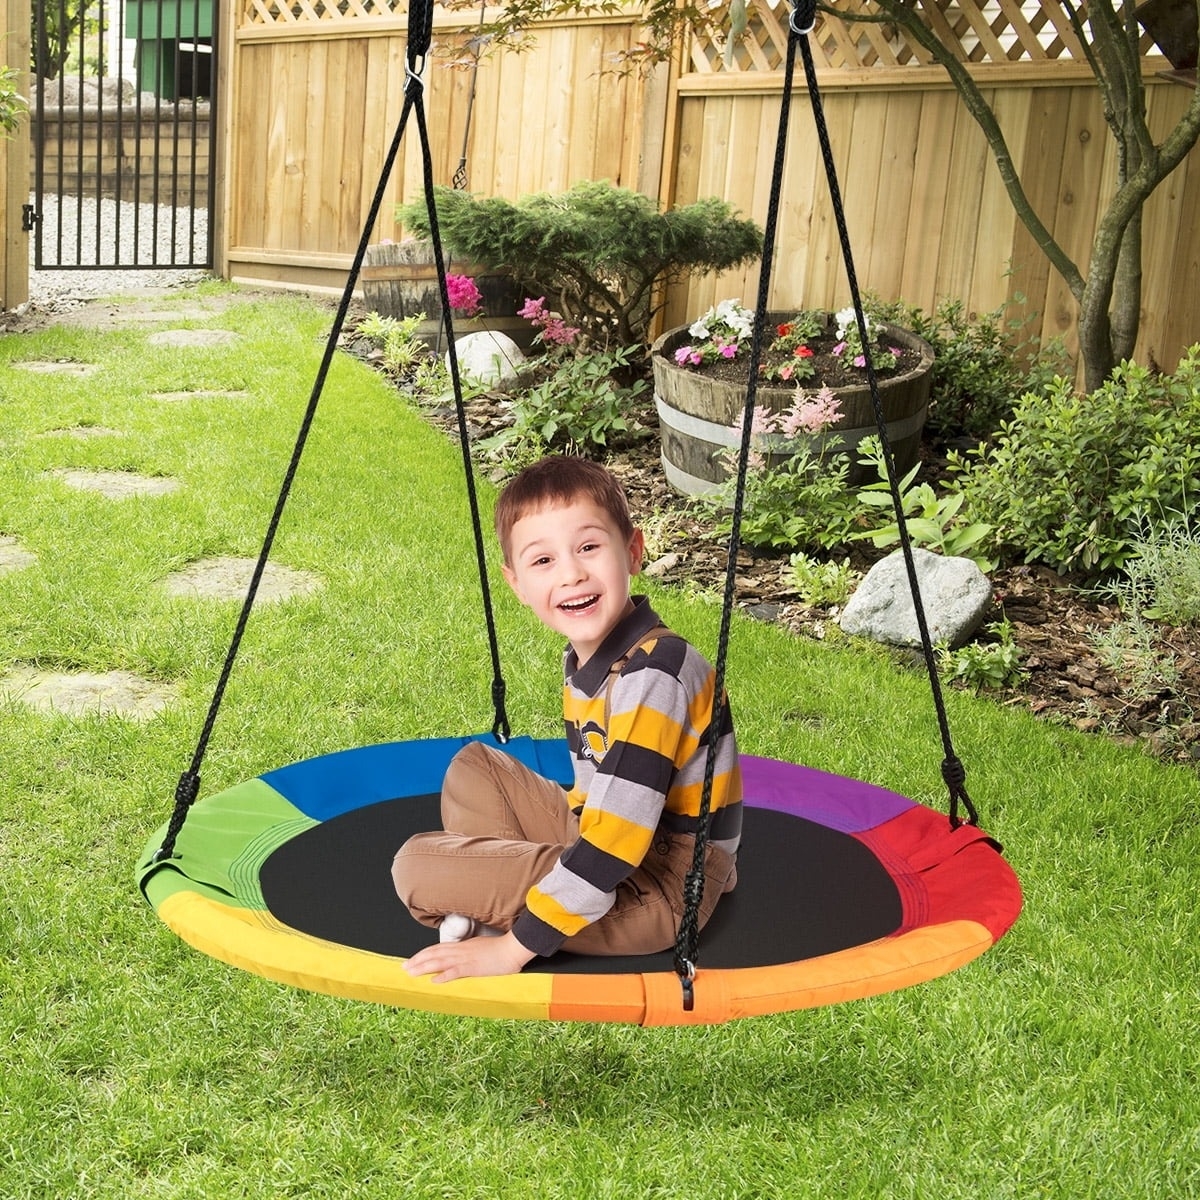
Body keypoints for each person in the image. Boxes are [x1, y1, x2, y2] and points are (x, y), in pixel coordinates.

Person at [393, 455, 742, 983]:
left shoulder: (656, 674)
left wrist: (513, 950)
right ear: (517, 585)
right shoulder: (587, 659)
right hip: (610, 840)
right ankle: (501, 894)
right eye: (543, 561)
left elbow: (616, 841)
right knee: (476, 766)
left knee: (414, 867)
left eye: (588, 548)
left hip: (662, 889)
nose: (572, 573)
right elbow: (595, 795)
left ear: (633, 551)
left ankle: (505, 916)